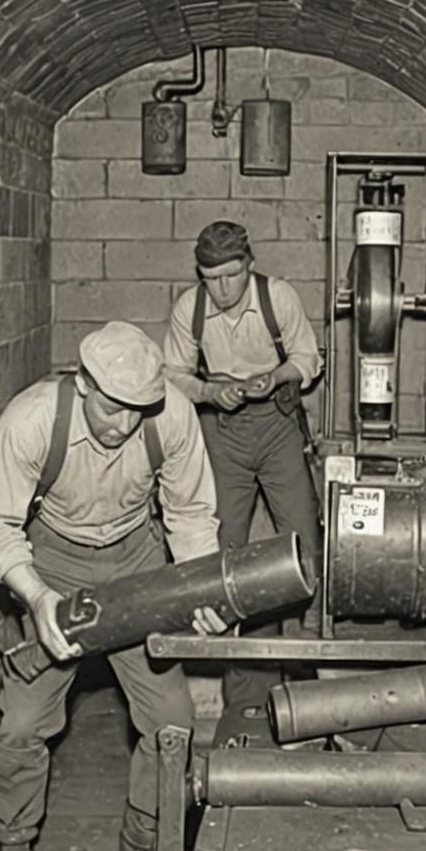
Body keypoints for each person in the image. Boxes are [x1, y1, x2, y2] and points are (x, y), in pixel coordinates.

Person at [0, 321, 226, 851]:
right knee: (22, 724)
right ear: (82, 384)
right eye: (112, 408)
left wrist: (200, 588)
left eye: (138, 410)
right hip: (54, 559)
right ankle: (15, 850)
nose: (123, 425)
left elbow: (190, 513)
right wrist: (37, 598)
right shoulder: (33, 420)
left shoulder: (173, 417)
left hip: (136, 559)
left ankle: (146, 827)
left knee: (172, 720)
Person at [164, 220, 322, 713]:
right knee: (223, 548)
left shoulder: (279, 298)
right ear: (201, 274)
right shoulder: (189, 309)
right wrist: (212, 391)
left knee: (300, 540)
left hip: (277, 424)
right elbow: (173, 374)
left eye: (232, 275)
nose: (223, 289)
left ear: (249, 266)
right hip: (222, 431)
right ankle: (241, 685)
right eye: (212, 278)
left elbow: (308, 359)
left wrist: (275, 378)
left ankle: (303, 672)